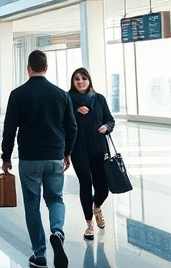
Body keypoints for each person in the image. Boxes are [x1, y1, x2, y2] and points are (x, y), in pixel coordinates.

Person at [1, 51, 77, 268]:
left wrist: (6, 157)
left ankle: (40, 254)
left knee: (32, 205)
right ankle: (58, 231)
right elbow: (72, 127)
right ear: (46, 67)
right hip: (54, 157)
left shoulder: (18, 94)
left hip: (29, 159)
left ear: (29, 67)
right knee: (55, 199)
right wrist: (67, 152)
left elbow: (9, 130)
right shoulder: (61, 94)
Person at [68, 67, 115, 240]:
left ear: (89, 80)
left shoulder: (99, 98)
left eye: (84, 79)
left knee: (103, 187)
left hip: (98, 148)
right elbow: (61, 121)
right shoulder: (68, 99)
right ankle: (89, 224)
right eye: (77, 79)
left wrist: (107, 127)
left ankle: (97, 207)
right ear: (73, 82)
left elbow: (110, 120)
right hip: (78, 149)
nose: (80, 82)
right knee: (85, 184)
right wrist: (75, 111)